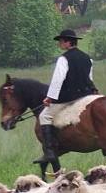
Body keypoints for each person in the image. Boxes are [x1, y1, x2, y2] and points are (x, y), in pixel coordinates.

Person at [33, 29, 98, 164]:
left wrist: (50, 98)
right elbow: (89, 78)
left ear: (68, 42)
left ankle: (50, 151)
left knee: (44, 116)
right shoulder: (88, 58)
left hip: (69, 97)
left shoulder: (63, 59)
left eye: (61, 41)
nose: (60, 44)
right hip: (86, 95)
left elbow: (58, 80)